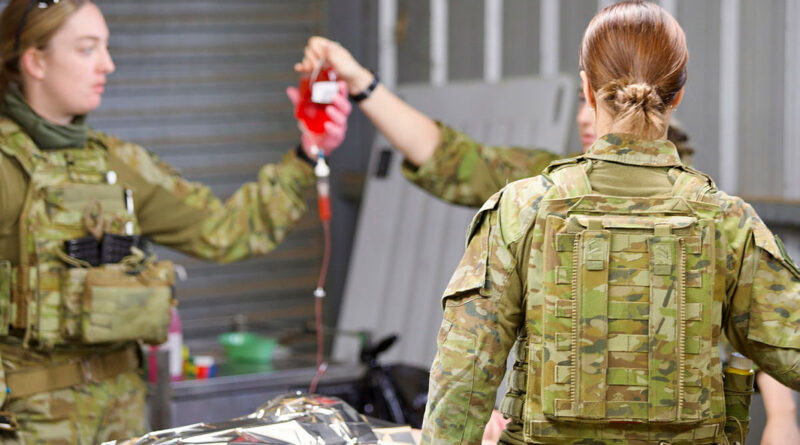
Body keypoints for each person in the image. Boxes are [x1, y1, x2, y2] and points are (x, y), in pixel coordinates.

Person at [297, 35, 800, 444]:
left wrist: (782, 414)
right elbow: (785, 337)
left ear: (587, 89)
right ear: (678, 93)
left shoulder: (524, 204)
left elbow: (465, 371)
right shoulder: (725, 218)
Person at [0, 0, 351, 443]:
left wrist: (306, 154)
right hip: (26, 425)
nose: (107, 64)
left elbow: (226, 230)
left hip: (122, 421)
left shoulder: (118, 163)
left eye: (106, 47)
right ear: (35, 60)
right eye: (88, 49)